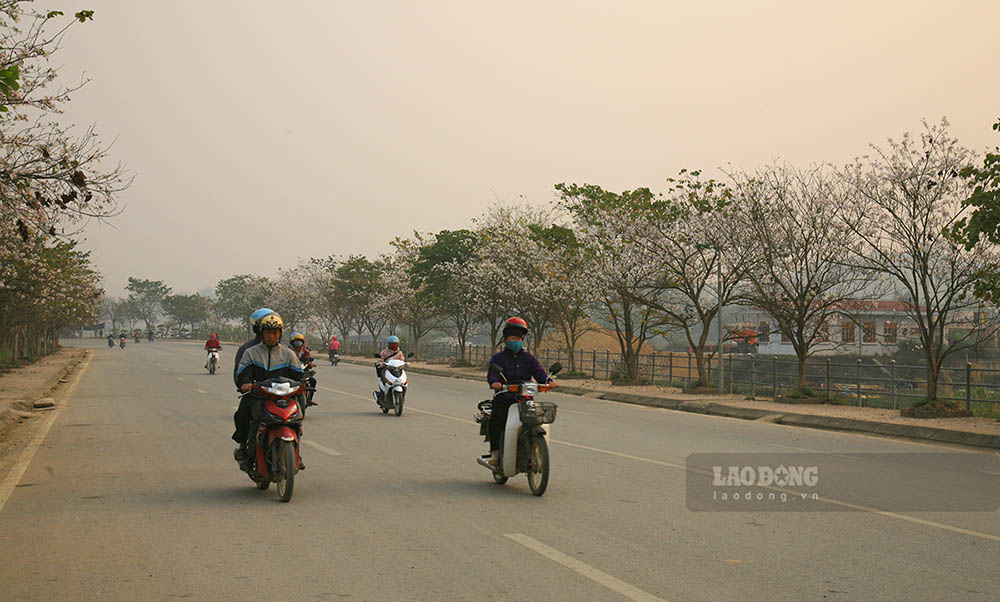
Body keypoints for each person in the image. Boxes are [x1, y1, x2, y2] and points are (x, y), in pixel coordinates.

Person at [233, 313, 305, 469]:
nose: (271, 336)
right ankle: (245, 449)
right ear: (261, 333)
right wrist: (246, 383)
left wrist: (302, 383)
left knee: (297, 417)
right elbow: (242, 374)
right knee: (244, 415)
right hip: (259, 396)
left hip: (283, 397)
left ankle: (296, 454)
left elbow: (298, 375)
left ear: (280, 334)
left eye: (275, 332)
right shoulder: (251, 353)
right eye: (267, 332)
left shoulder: (288, 354)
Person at [485, 317, 555, 467]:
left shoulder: (528, 358)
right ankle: (495, 452)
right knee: (497, 418)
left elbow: (539, 372)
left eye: (519, 338)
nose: (516, 340)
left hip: (525, 397)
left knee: (536, 418)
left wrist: (548, 382)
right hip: (504, 396)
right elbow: (492, 374)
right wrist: (495, 383)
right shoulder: (498, 358)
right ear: (506, 340)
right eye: (513, 338)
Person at [233, 307, 274, 388]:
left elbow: (295, 375)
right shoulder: (246, 350)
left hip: (281, 394)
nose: (271, 335)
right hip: (256, 395)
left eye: (275, 329)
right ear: (258, 329)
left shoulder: (285, 351)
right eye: (267, 329)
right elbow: (239, 376)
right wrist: (246, 384)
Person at [289, 332, 317, 406]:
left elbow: (308, 359)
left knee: (313, 381)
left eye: (300, 342)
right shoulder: (288, 351)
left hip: (303, 370)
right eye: (296, 342)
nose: (298, 344)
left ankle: (310, 399)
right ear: (292, 343)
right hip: (291, 372)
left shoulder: (305, 352)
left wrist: (309, 363)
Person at [374, 335, 405, 402]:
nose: (394, 346)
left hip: (397, 370)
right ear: (388, 345)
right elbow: (380, 359)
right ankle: (383, 392)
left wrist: (406, 363)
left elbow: (402, 360)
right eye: (392, 344)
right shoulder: (384, 352)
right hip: (387, 369)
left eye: (395, 344)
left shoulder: (399, 353)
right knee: (383, 380)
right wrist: (381, 362)